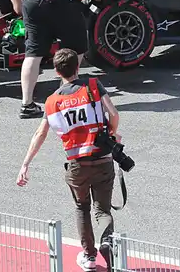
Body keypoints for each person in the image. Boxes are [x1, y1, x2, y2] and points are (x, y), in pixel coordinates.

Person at [17, 48, 122, 272]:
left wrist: (25, 164)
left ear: (56, 72)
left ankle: (89, 256)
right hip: (102, 158)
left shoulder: (53, 101)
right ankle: (109, 247)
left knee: (81, 208)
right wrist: (112, 133)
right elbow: (113, 113)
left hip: (77, 164)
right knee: (103, 210)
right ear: (78, 67)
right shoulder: (93, 86)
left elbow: (41, 134)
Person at [19, 0, 104, 119]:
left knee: (33, 53)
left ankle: (27, 104)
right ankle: (64, 99)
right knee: (77, 47)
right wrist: (99, 2)